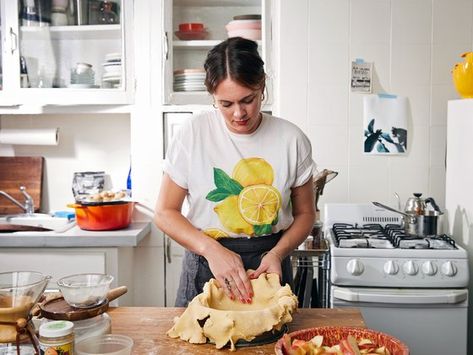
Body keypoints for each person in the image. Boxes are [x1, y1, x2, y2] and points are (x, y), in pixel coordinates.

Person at [154, 37, 317, 307]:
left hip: (269, 263)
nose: (238, 113)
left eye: (248, 100)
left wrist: (278, 253)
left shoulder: (291, 139)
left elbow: (305, 213)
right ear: (213, 97)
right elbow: (164, 212)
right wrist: (211, 250)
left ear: (262, 85)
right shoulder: (193, 133)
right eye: (225, 104)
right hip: (207, 262)